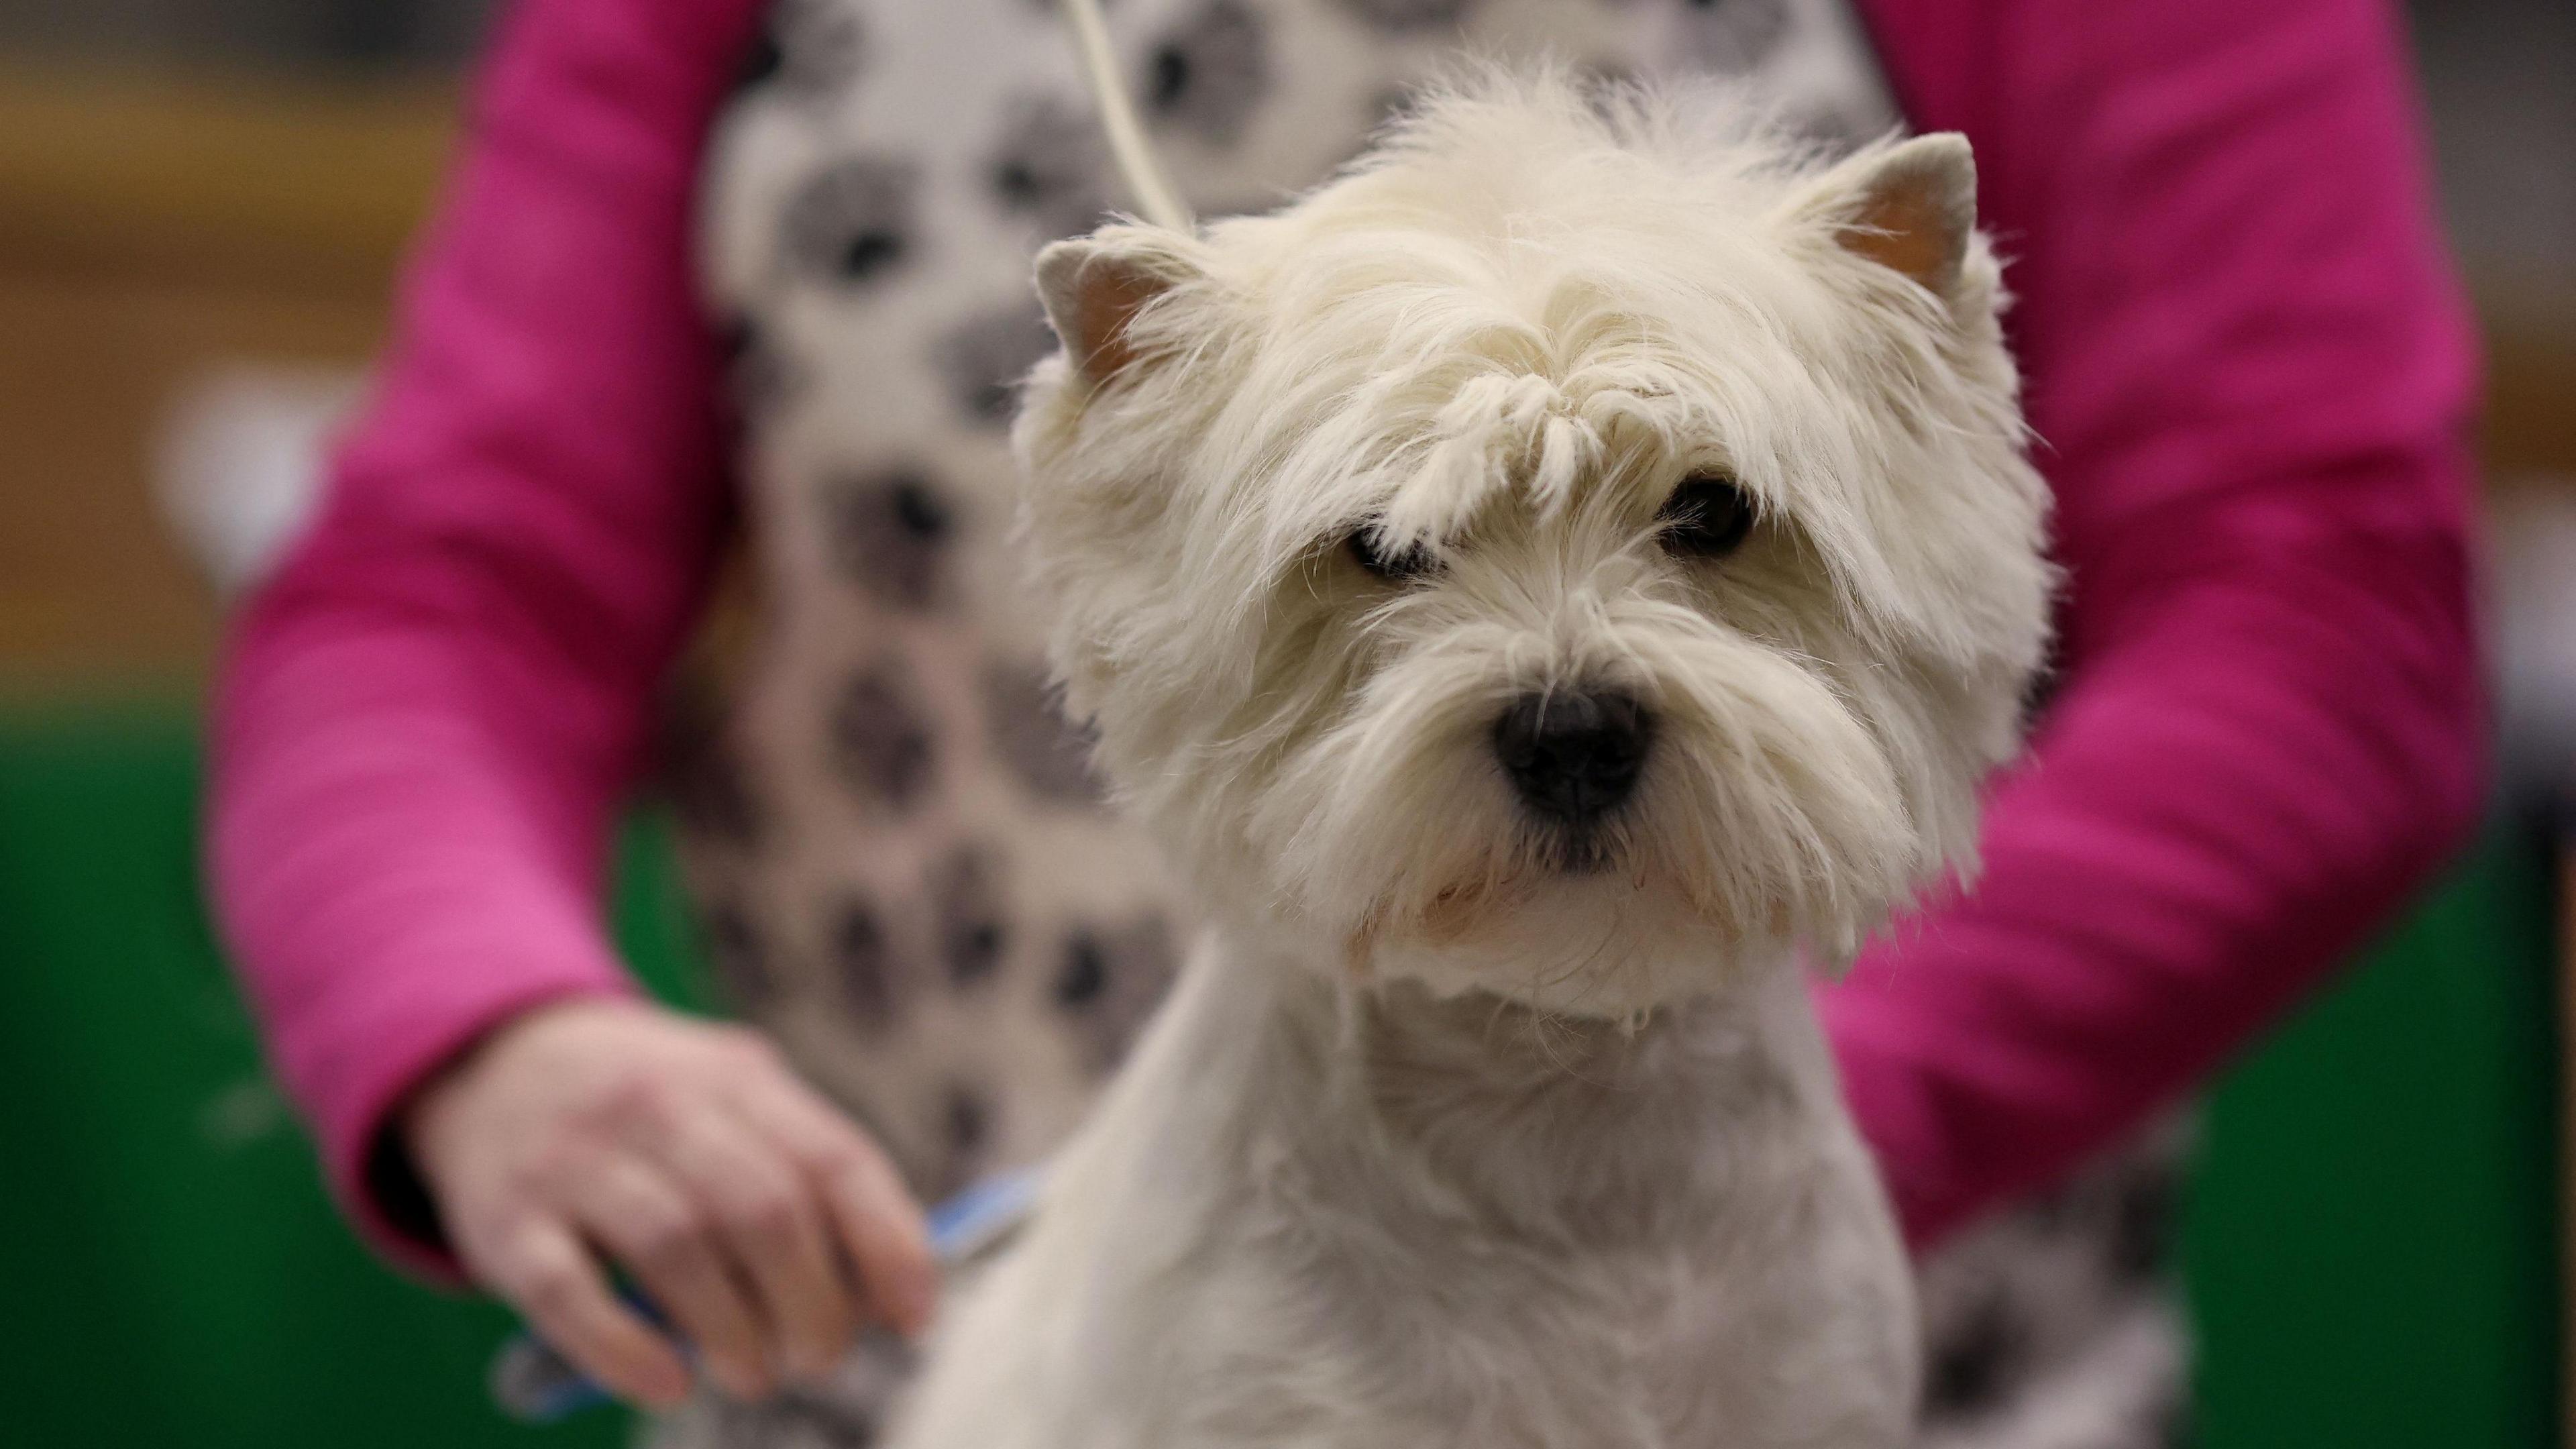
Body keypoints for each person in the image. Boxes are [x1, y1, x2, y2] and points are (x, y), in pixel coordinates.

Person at [207, 0, 2484, 1442]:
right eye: (1391, 562)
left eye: (1707, 518)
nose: (1572, 688)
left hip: (1914, 1301)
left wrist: (1664, 1135)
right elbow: (443, 587)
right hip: (928, 1329)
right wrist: (493, 1030)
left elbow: (2330, 604)